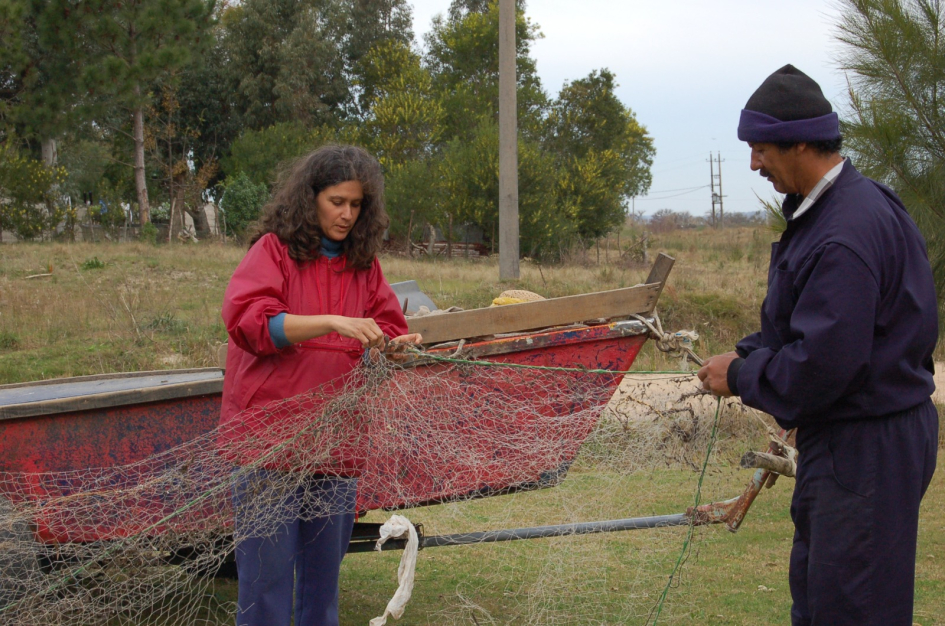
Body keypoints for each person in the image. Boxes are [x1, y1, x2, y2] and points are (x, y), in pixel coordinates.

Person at [697, 65, 938, 626]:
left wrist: (742, 377)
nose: (754, 163)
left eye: (760, 148)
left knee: (851, 609)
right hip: (873, 436)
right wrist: (751, 353)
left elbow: (825, 366)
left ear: (801, 141)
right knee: (826, 597)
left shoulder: (842, 233)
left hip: (865, 448)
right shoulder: (861, 204)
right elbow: (825, 327)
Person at [219, 145, 421, 626]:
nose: (347, 214)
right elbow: (249, 324)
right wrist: (334, 321)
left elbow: (388, 331)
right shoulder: (272, 251)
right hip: (269, 448)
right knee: (265, 586)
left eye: (356, 205)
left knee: (321, 586)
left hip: (336, 447)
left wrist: (396, 346)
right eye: (336, 202)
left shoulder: (365, 267)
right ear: (309, 199)